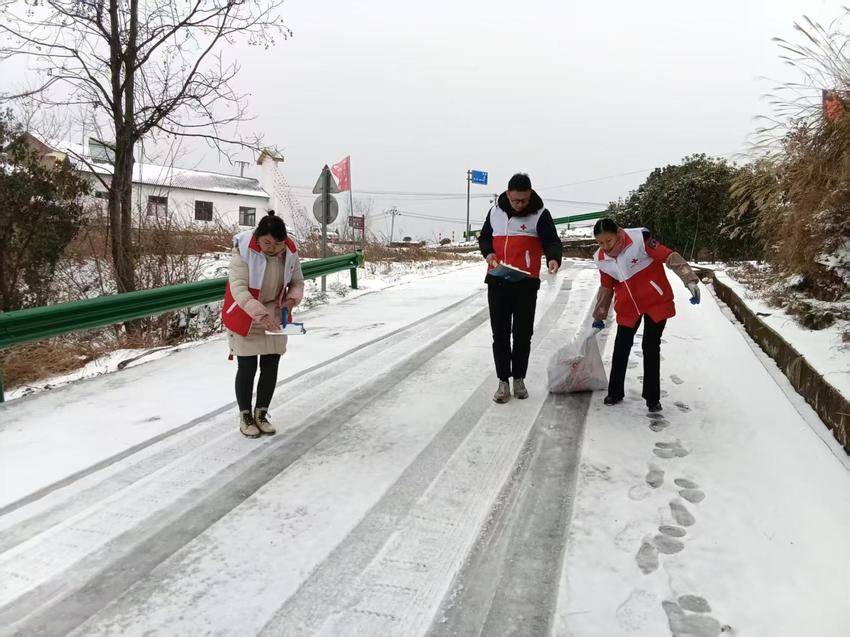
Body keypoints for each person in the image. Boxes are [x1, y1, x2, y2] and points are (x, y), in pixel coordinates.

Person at [590, 218, 700, 412]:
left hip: (655, 301)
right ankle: (615, 392)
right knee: (621, 347)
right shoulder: (601, 258)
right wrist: (599, 315)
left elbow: (669, 256)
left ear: (618, 234)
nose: (605, 246)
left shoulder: (640, 240)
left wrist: (689, 279)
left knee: (650, 346)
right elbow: (606, 286)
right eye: (600, 243)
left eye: (608, 240)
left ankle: (652, 398)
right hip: (628, 306)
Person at [478, 173, 563, 403]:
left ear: (530, 193)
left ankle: (519, 379)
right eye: (516, 200)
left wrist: (553, 258)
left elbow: (552, 241)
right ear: (508, 194)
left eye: (524, 200)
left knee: (523, 334)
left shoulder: (540, 214)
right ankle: (503, 381)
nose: (520, 204)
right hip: (497, 279)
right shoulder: (495, 212)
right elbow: (484, 237)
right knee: (500, 333)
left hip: (526, 283)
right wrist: (488, 253)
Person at [222, 211, 305, 437]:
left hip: (275, 313)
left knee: (271, 364)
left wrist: (291, 300)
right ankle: (245, 416)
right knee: (247, 366)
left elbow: (297, 282)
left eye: (277, 244)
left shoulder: (289, 251)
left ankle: (261, 413)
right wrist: (260, 314)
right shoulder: (243, 250)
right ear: (258, 237)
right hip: (245, 312)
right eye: (267, 243)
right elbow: (239, 289)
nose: (272, 248)